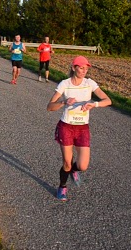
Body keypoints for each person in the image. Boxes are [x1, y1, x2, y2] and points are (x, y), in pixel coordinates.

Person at [46, 56, 112, 202]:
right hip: (67, 126)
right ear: (74, 67)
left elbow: (108, 101)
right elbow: (49, 107)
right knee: (67, 162)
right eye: (81, 68)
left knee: (82, 165)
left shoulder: (90, 83)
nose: (84, 71)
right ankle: (62, 187)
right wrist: (63, 102)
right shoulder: (65, 84)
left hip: (82, 128)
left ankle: (73, 171)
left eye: (86, 68)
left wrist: (93, 105)